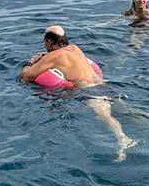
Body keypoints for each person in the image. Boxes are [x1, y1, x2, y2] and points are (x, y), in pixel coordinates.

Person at [20, 26, 135, 159]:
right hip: (102, 84)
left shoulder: (52, 57)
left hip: (89, 91)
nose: (44, 45)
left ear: (50, 42)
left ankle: (123, 139)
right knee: (125, 109)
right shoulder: (75, 48)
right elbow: (64, 58)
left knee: (106, 117)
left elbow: (26, 76)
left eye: (45, 42)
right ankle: (142, 121)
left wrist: (31, 61)